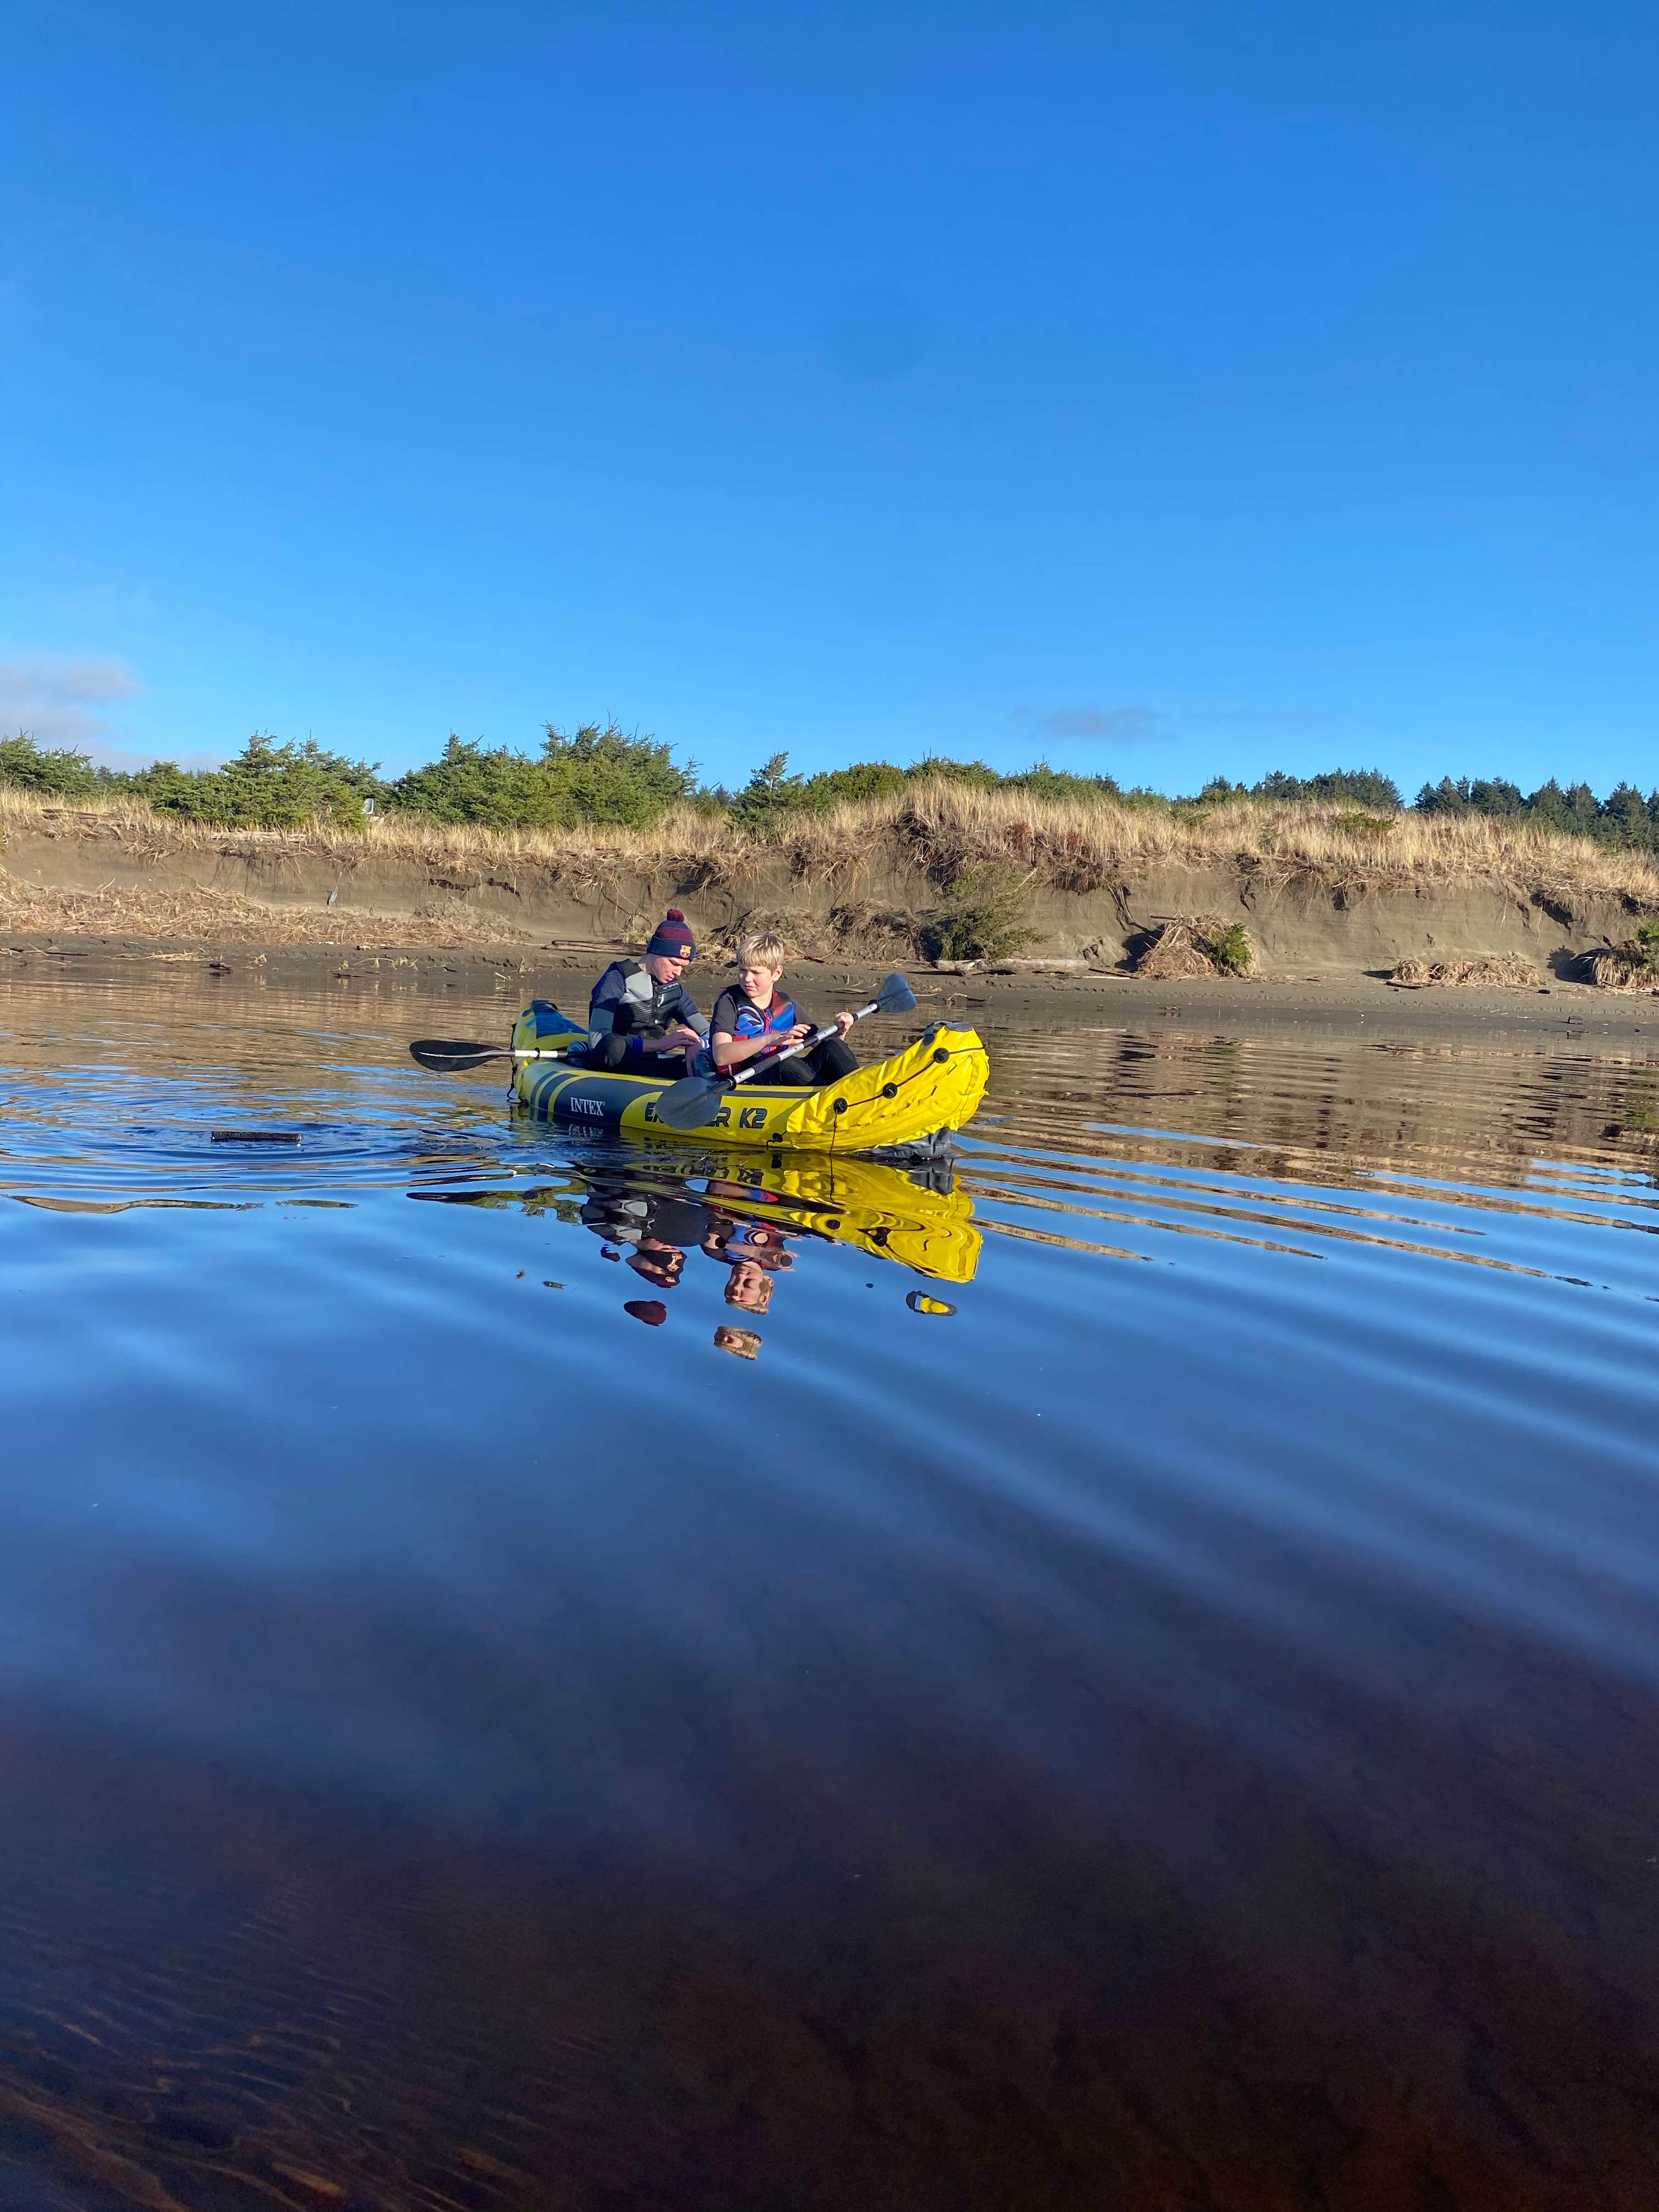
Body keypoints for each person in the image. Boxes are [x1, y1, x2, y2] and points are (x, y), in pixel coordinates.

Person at [708, 932, 858, 1088]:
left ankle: (862, 1092)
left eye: (756, 973)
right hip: (747, 1078)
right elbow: (721, 1056)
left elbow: (825, 1047)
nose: (747, 978)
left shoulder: (788, 1005)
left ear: (776, 973)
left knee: (832, 1045)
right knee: (785, 1063)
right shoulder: (729, 1001)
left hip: (782, 1073)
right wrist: (771, 1039)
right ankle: (833, 1098)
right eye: (743, 970)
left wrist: (841, 1031)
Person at [586, 910, 708, 1074]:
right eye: (673, 963)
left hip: (652, 1064)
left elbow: (711, 1032)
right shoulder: (617, 978)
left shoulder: (675, 990)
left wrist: (697, 1044)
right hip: (616, 1059)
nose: (678, 972)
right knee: (612, 1045)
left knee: (709, 1057)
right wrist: (661, 1045)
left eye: (683, 967)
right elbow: (598, 1039)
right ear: (656, 952)